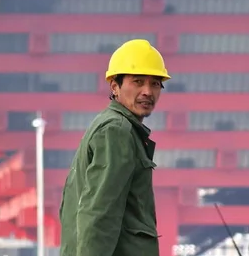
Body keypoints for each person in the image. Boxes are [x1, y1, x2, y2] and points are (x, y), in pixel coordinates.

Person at [59, 39, 170, 256]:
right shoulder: (116, 130)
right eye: (138, 81)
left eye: (155, 83)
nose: (148, 91)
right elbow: (99, 213)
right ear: (115, 87)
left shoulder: (112, 126)